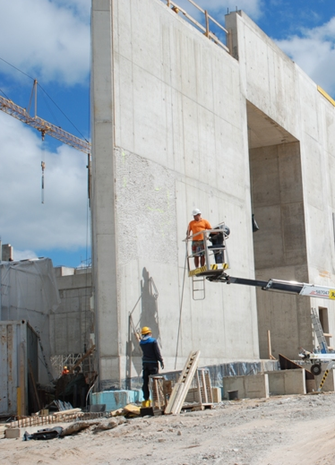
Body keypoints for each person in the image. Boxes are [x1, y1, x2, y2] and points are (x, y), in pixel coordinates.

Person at [139, 326, 164, 407]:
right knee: (155, 382)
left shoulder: (141, 342)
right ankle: (157, 399)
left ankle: (146, 399)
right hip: (153, 364)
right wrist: (161, 360)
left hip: (145, 364)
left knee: (145, 382)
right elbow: (157, 352)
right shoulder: (153, 341)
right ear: (149, 333)